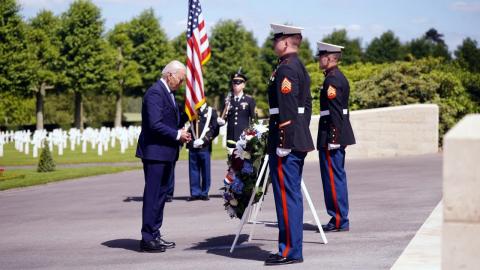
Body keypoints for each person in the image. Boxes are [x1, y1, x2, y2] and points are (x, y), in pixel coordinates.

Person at [264, 23, 315, 266]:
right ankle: (290, 248)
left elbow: (287, 107)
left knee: (286, 196)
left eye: (276, 40)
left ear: (285, 42)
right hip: (296, 137)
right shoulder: (297, 66)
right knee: (290, 195)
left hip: (287, 141)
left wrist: (284, 141)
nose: (273, 44)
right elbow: (307, 104)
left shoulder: (287, 69)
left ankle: (290, 251)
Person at [135, 60, 191, 252]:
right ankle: (147, 238)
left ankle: (155, 234)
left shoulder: (169, 93)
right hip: (155, 153)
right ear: (170, 75)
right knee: (153, 196)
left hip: (166, 153)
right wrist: (177, 135)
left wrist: (188, 115)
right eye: (180, 79)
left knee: (160, 196)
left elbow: (171, 119)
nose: (181, 83)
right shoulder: (155, 93)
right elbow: (155, 124)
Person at [316, 41, 356, 232]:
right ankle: (338, 218)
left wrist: (333, 138)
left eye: (322, 56)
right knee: (334, 177)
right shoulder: (334, 77)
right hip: (333, 134)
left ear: (331, 58)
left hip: (332, 136)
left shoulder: (332, 80)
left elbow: (336, 112)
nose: (319, 59)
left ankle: (339, 219)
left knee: (333, 178)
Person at [186, 102, 220, 201]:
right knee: (193, 170)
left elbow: (215, 129)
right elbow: (188, 126)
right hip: (193, 145)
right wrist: (191, 140)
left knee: (205, 170)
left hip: (205, 146)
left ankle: (204, 192)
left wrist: (204, 140)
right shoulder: (191, 110)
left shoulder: (211, 111)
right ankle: (195, 193)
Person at [217, 69, 256, 150]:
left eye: (239, 83)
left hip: (244, 138)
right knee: (231, 161)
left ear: (243, 85)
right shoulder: (228, 100)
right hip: (230, 137)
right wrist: (221, 121)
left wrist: (251, 135)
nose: (236, 84)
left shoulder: (249, 100)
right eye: (234, 82)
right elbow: (223, 119)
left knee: (244, 162)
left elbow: (253, 120)